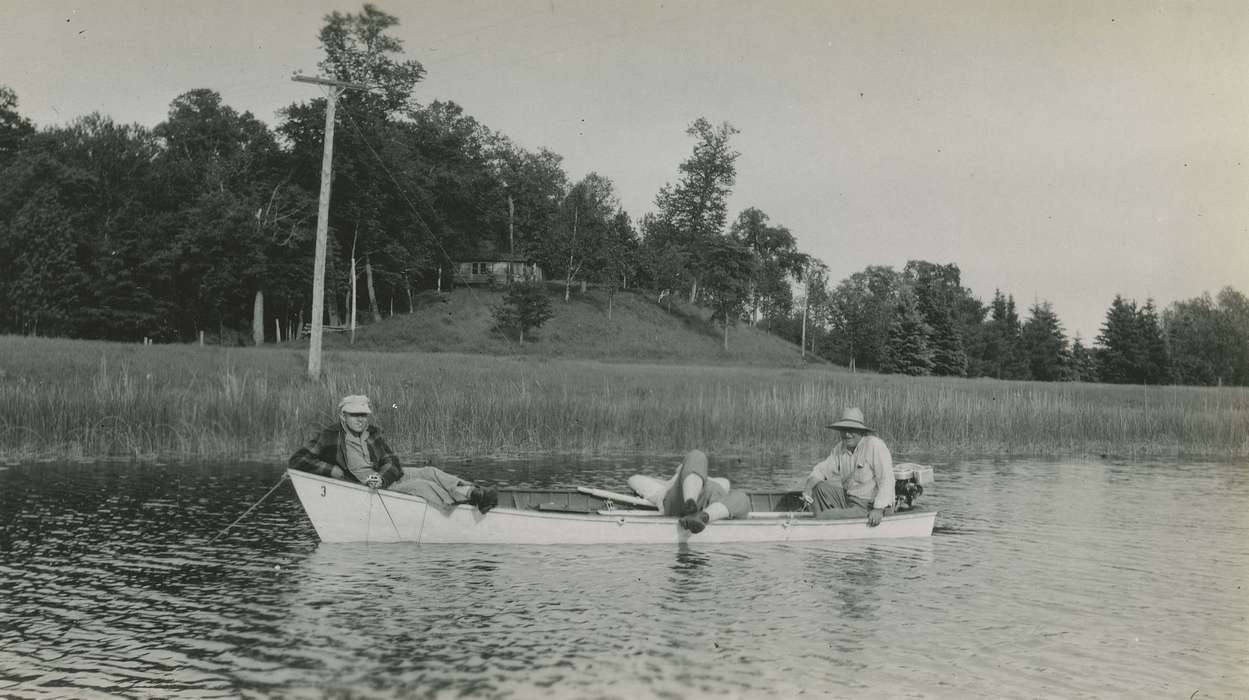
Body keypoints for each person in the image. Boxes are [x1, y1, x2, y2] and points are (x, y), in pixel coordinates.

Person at [289, 395, 498, 514]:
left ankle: (474, 493)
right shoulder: (330, 436)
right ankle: (462, 505)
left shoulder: (372, 434)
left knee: (430, 472)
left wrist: (382, 476)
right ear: (342, 416)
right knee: (422, 486)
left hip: (385, 479)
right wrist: (332, 470)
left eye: (364, 415)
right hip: (365, 487)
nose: (361, 420)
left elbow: (391, 462)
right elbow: (298, 460)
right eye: (355, 415)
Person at [801, 407, 895, 526]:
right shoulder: (840, 447)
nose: (847, 434)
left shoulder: (875, 445)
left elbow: (887, 479)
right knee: (818, 487)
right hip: (848, 499)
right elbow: (822, 469)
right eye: (843, 429)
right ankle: (822, 519)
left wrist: (878, 509)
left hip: (868, 505)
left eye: (852, 430)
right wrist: (808, 487)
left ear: (861, 431)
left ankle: (821, 519)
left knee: (826, 516)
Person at [627, 449, 750, 534]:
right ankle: (690, 505)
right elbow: (634, 480)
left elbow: (725, 484)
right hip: (681, 501)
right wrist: (673, 479)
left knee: (742, 498)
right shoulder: (668, 485)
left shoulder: (717, 481)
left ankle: (702, 516)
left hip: (713, 506)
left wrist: (703, 477)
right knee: (697, 455)